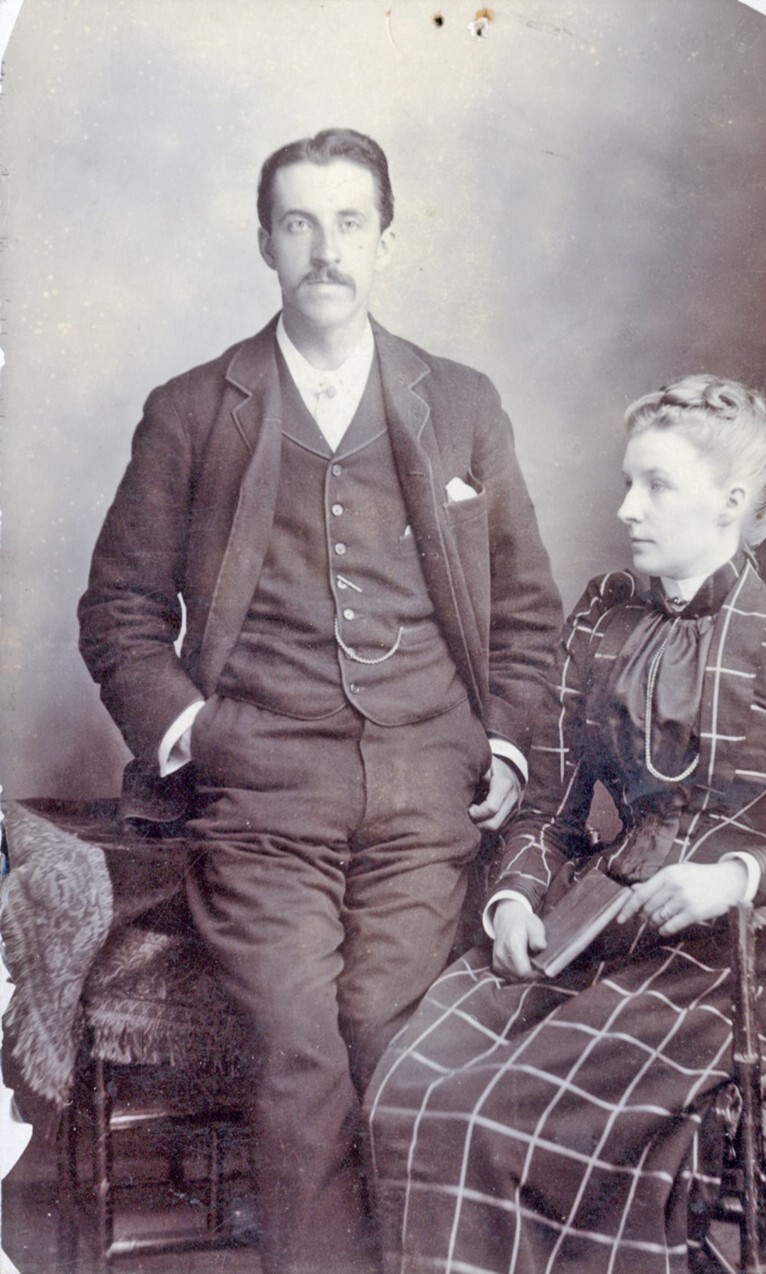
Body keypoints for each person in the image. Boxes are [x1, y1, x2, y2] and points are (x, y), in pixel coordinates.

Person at [77, 129, 562, 1274]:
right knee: (299, 1048)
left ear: (385, 240)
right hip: (260, 797)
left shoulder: (464, 403)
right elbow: (120, 611)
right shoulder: (196, 408)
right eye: (300, 223)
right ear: (264, 243)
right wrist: (196, 731)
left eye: (350, 223)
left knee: (386, 1030)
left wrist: (503, 739)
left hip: (424, 789)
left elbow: (529, 611)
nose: (326, 249)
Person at [365, 374, 766, 1273]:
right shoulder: (603, 620)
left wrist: (733, 880)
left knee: (502, 1123)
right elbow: (546, 809)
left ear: (729, 503)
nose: (626, 509)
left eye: (655, 486)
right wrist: (515, 903)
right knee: (405, 1094)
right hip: (591, 928)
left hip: (737, 963)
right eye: (626, 483)